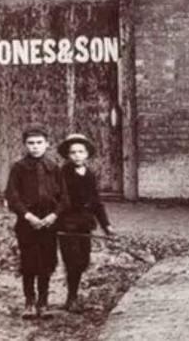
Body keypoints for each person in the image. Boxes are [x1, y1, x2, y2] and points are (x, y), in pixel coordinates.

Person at [4, 127, 63, 319]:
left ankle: (43, 303)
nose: (35, 147)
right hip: (27, 223)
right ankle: (29, 302)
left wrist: (53, 216)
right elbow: (12, 197)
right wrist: (28, 216)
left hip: (48, 223)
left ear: (47, 144)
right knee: (29, 263)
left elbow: (64, 197)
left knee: (46, 263)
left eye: (39, 143)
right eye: (31, 143)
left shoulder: (54, 167)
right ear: (25, 145)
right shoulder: (19, 168)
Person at [55, 134, 112, 313]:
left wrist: (106, 225)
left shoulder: (89, 174)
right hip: (68, 224)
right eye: (73, 152)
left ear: (87, 154)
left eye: (81, 151)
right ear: (67, 155)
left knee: (83, 261)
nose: (77, 155)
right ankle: (71, 298)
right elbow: (57, 200)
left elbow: (96, 201)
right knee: (72, 261)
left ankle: (74, 294)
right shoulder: (62, 174)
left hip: (85, 225)